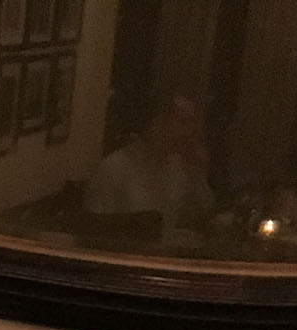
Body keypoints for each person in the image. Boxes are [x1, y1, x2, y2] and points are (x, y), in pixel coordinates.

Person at [83, 95, 216, 237]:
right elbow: (94, 230)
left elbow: (205, 213)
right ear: (157, 123)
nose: (190, 132)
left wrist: (197, 173)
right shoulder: (113, 168)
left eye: (192, 123)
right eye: (183, 122)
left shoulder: (179, 168)